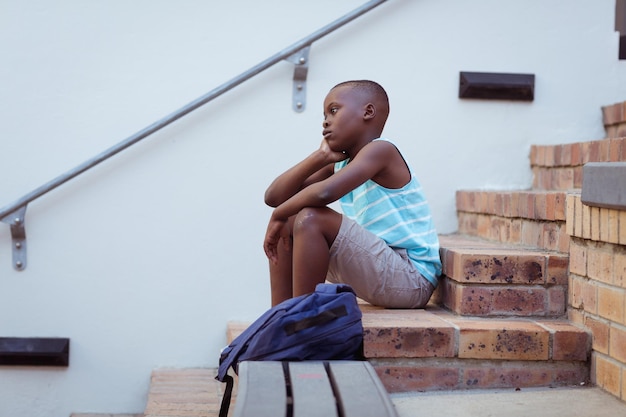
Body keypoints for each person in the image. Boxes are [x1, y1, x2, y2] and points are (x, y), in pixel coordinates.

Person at [263, 80, 441, 308]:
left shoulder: (381, 150)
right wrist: (320, 157)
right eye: (324, 114)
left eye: (334, 110)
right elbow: (274, 197)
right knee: (290, 219)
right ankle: (279, 319)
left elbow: (324, 192)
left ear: (367, 112)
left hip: (411, 279)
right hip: (380, 270)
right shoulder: (341, 163)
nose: (325, 121)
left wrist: (278, 214)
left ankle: (302, 323)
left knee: (311, 217)